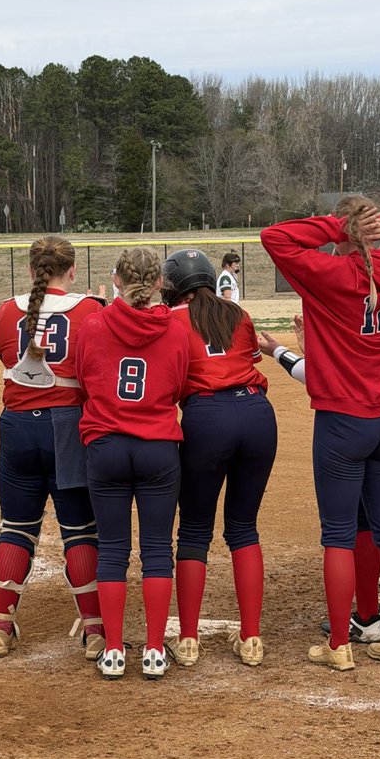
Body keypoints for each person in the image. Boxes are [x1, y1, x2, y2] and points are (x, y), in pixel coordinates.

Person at [261, 196, 380, 671]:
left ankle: (339, 645)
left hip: (341, 419)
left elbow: (275, 237)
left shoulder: (328, 275)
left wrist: (340, 229)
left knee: (337, 534)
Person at [0, 236, 106, 659]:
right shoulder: (90, 308)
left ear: (31, 269)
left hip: (17, 426)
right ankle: (94, 632)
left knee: (16, 527)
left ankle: (0, 626)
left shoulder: (6, 309)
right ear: (71, 270)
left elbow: (2, 353)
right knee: (79, 529)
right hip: (67, 427)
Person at [74, 246, 190, 681]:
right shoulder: (177, 329)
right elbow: (178, 387)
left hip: (106, 445)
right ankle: (156, 650)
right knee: (158, 549)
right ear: (159, 281)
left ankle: (115, 650)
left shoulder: (94, 323)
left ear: (117, 281)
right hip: (158, 446)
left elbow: (84, 380)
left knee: (113, 550)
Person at [162, 248, 277, 668]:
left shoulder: (170, 319)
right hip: (256, 413)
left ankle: (189, 641)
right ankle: (251, 640)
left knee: (194, 530)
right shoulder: (238, 314)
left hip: (207, 417)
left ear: (174, 286)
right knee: (244, 528)